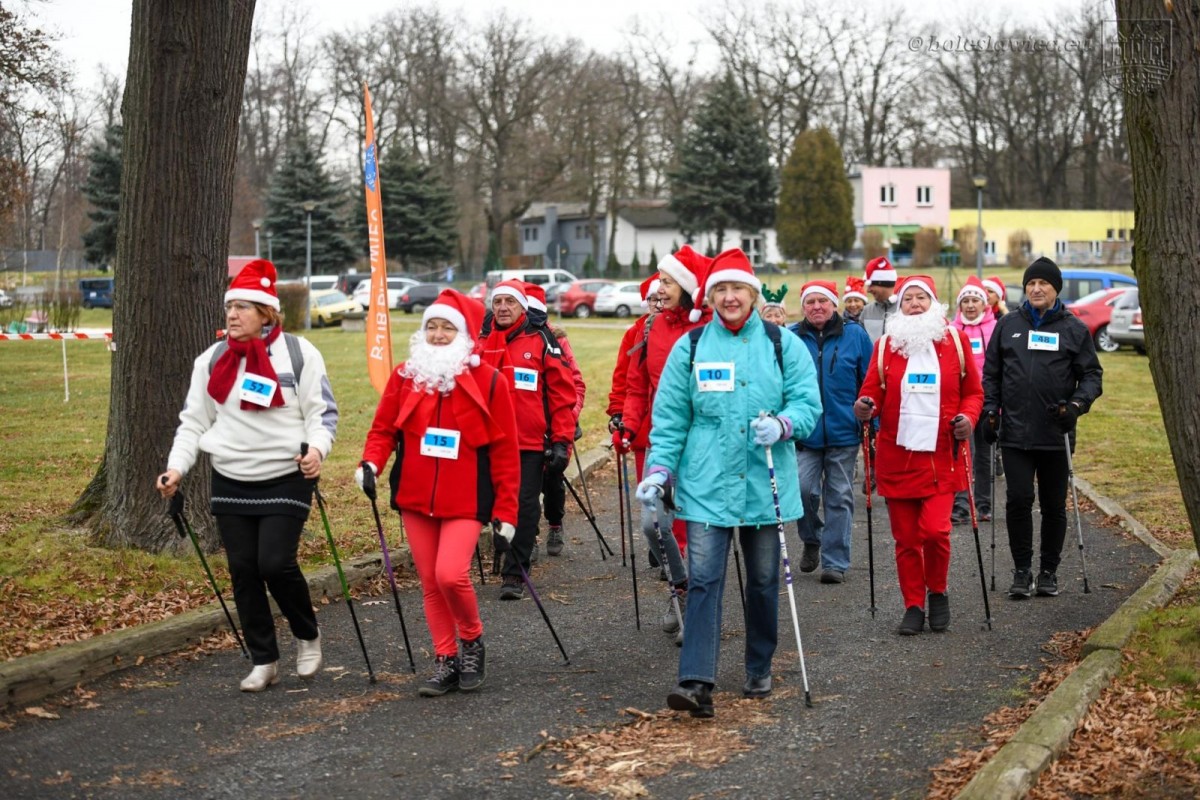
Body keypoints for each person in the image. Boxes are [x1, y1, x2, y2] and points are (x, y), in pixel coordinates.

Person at [638, 248, 821, 717]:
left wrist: (784, 424)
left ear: (753, 293)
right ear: (710, 296)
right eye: (720, 289)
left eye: (737, 288)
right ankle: (696, 681)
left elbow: (808, 403)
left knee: (762, 581)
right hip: (706, 484)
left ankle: (759, 665)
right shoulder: (693, 346)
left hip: (765, 483)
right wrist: (659, 470)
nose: (729, 297)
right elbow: (671, 417)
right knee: (704, 581)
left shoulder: (783, 344)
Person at [157, 259, 337, 692]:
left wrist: (316, 451)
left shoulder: (299, 353)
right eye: (229, 307)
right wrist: (175, 468)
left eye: (243, 307)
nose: (233, 315)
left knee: (275, 563)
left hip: (285, 475)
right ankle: (264, 659)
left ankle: (307, 635)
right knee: (243, 570)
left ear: (267, 313)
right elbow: (193, 422)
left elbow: (322, 414)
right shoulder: (212, 360)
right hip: (231, 477)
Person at [359, 289, 519, 696]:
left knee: (451, 574)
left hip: (466, 498)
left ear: (464, 334)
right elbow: (383, 430)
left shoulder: (490, 380)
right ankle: (445, 658)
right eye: (432, 326)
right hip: (415, 496)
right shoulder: (405, 376)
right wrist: (371, 463)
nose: (438, 334)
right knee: (430, 580)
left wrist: (507, 512)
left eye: (448, 327)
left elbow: (505, 453)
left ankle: (471, 640)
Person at [853, 275, 983, 636]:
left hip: (942, 456)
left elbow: (974, 393)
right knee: (907, 539)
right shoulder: (885, 347)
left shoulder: (954, 342)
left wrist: (968, 419)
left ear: (933, 303)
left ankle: (937, 591)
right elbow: (871, 393)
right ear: (899, 305)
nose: (914, 303)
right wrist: (865, 407)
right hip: (898, 458)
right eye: (908, 298)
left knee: (935, 531)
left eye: (921, 297)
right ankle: (913, 604)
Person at [982, 258, 1102, 599]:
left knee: (1053, 505)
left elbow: (1092, 376)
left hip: (1055, 432)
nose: (1036, 289)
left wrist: (1077, 406)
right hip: (1015, 433)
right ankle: (1022, 571)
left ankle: (1049, 571)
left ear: (1055, 289)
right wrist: (990, 409)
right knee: (1018, 500)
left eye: (1043, 284)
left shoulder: (1073, 329)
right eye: (1031, 283)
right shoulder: (1008, 326)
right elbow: (991, 374)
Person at [619, 245, 712, 640]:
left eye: (668, 280)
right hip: (663, 438)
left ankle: (697, 600)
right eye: (659, 279)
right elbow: (637, 386)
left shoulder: (711, 328)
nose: (659, 286)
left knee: (695, 528)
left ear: (688, 288)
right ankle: (680, 583)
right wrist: (626, 424)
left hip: (705, 440)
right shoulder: (650, 328)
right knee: (652, 522)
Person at [478, 280, 577, 600]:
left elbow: (562, 395)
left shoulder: (541, 340)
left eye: (510, 302)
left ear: (522, 307)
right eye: (497, 302)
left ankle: (515, 573)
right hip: (488, 443)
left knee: (524, 508)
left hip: (529, 443)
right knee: (492, 505)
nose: (503, 307)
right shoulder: (481, 342)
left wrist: (562, 440)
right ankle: (503, 546)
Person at [787, 280, 873, 584]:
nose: (817, 307)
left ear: (834, 304)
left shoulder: (855, 335)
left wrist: (870, 422)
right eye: (810, 302)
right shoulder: (792, 337)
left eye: (823, 301)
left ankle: (835, 561)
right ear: (802, 307)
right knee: (799, 490)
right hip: (804, 433)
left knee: (838, 496)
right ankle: (813, 537)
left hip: (843, 432)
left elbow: (869, 380)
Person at [523, 282, 586, 558]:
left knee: (552, 480)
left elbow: (576, 385)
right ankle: (529, 534)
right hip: (527, 427)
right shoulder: (508, 341)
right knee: (527, 487)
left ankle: (555, 523)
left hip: (556, 425)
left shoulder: (557, 339)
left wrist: (569, 421)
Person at [949, 277, 997, 525]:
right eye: (965, 301)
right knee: (962, 454)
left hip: (987, 401)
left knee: (984, 455)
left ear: (984, 303)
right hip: (961, 403)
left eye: (975, 300)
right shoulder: (952, 331)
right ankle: (960, 505)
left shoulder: (995, 328)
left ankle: (984, 503)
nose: (970, 305)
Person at [606, 275, 660, 481]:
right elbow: (623, 379)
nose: (657, 305)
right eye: (652, 299)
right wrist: (618, 413)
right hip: (643, 425)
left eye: (661, 299)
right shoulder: (634, 334)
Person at [860, 256, 899, 343]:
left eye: (871, 285)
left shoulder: (904, 309)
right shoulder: (867, 311)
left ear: (884, 284)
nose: (868, 290)